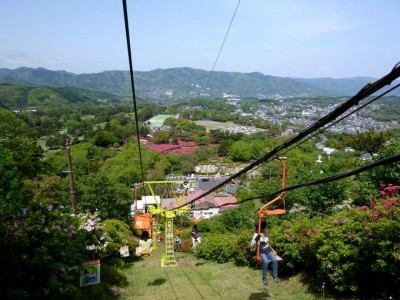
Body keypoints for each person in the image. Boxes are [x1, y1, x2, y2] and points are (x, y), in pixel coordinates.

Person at [251, 221, 279, 286]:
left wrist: (261, 243)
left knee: (274, 260)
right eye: (262, 228)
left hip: (267, 249)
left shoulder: (264, 232)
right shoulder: (256, 234)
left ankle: (275, 276)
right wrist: (256, 239)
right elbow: (251, 244)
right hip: (261, 251)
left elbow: (267, 239)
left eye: (263, 228)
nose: (263, 229)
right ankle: (264, 278)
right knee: (266, 262)